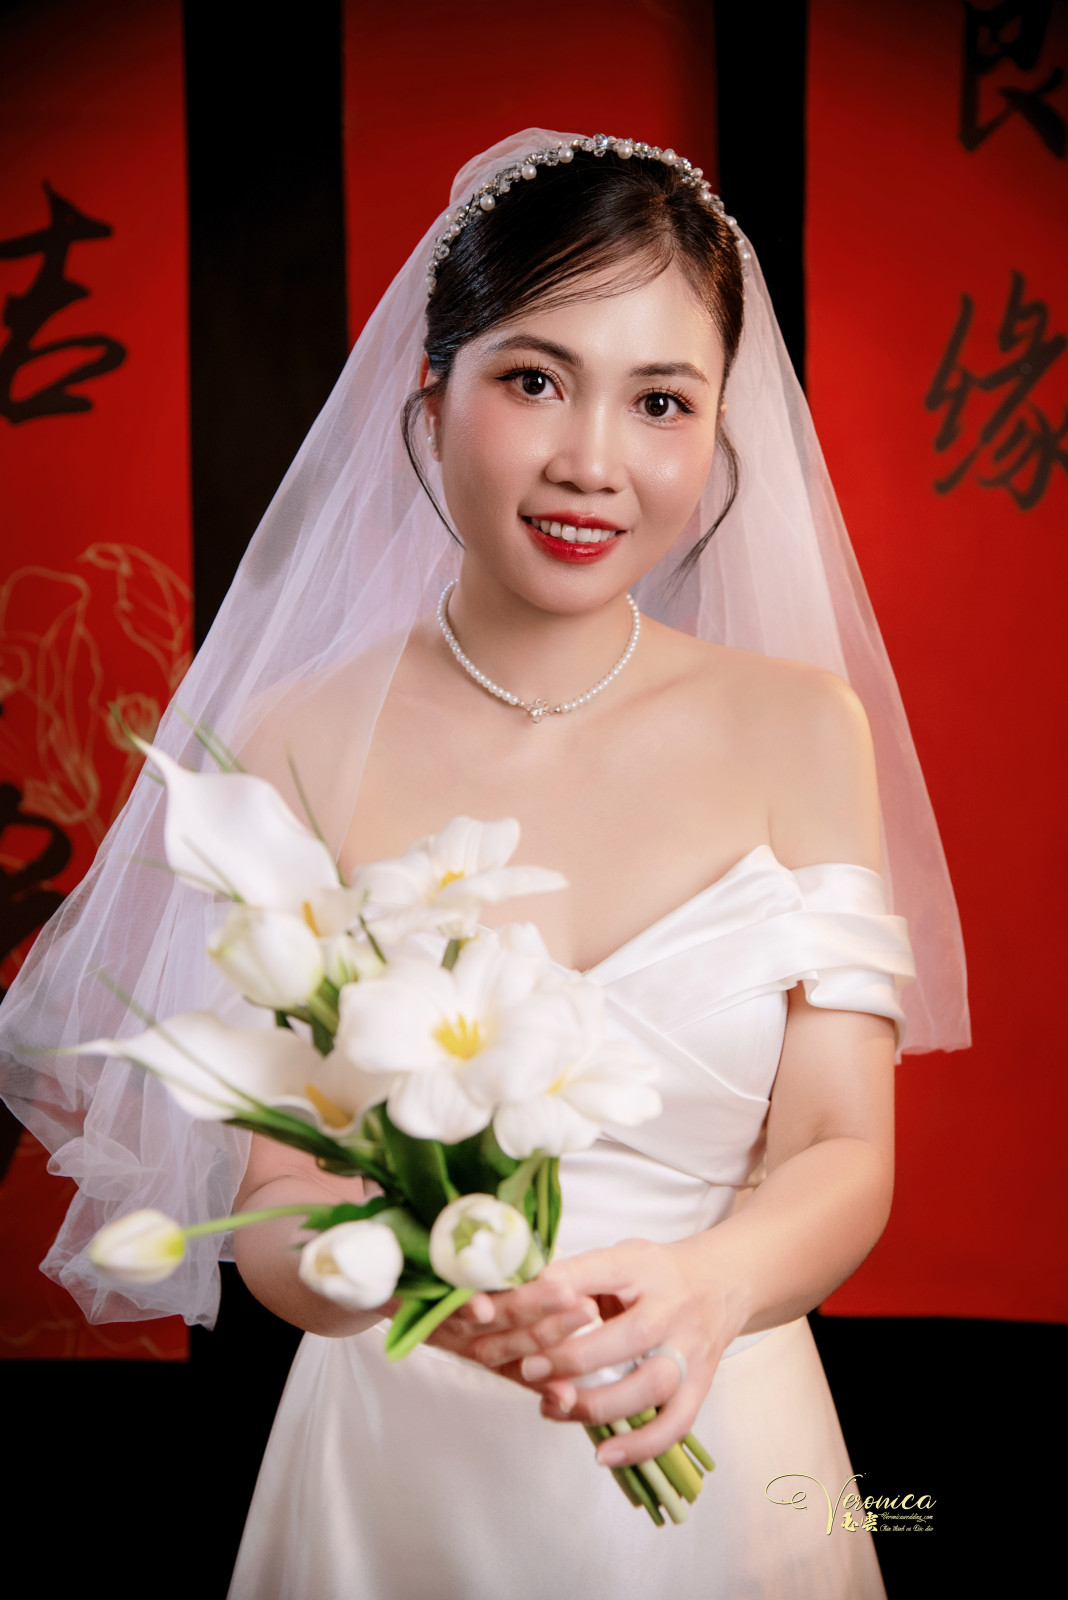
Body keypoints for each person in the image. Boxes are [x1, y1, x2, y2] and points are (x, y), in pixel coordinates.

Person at [0, 129, 968, 1598]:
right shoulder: (298, 737)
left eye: (661, 401)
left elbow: (842, 1144)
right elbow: (277, 1195)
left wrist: (706, 1293)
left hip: (731, 1437)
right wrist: (418, 1288)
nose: (593, 462)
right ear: (432, 395)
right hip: (396, 1464)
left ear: (721, 432)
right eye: (534, 380)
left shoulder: (800, 728)